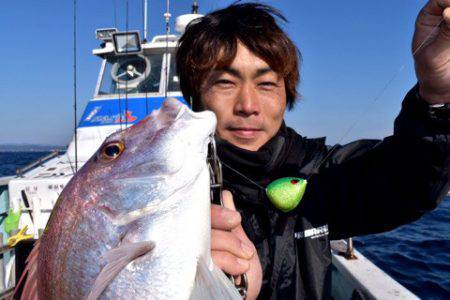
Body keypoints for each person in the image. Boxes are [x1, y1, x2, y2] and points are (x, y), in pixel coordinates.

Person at [176, 2, 450, 299]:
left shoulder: (321, 174)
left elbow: (409, 180)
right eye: (225, 82)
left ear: (287, 93)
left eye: (266, 83)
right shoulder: (169, 193)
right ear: (197, 94)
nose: (248, 106)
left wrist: (438, 94)